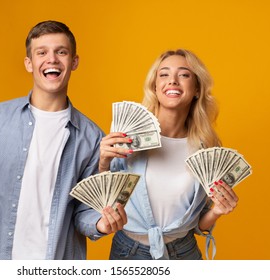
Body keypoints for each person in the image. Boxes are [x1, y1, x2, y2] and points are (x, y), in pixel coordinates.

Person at [0, 20, 127, 260]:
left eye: (61, 52)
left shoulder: (92, 137)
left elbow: (83, 211)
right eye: (41, 52)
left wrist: (100, 224)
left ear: (74, 62)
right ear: (29, 63)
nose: (52, 59)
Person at [99, 49, 239, 260]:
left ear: (197, 89)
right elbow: (102, 201)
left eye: (184, 75)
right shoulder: (128, 138)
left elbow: (199, 223)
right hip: (129, 253)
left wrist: (217, 211)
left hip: (184, 252)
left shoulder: (206, 148)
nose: (172, 81)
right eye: (164, 74)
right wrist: (103, 162)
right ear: (155, 86)